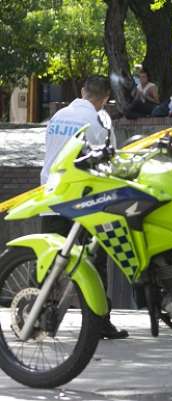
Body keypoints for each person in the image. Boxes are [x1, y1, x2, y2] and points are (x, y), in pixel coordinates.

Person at [41, 75, 129, 340]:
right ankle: (99, 323)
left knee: (49, 261)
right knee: (94, 263)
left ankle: (42, 319)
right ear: (105, 99)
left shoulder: (57, 117)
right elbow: (110, 162)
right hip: (84, 202)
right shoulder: (99, 121)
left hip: (51, 197)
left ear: (82, 91)